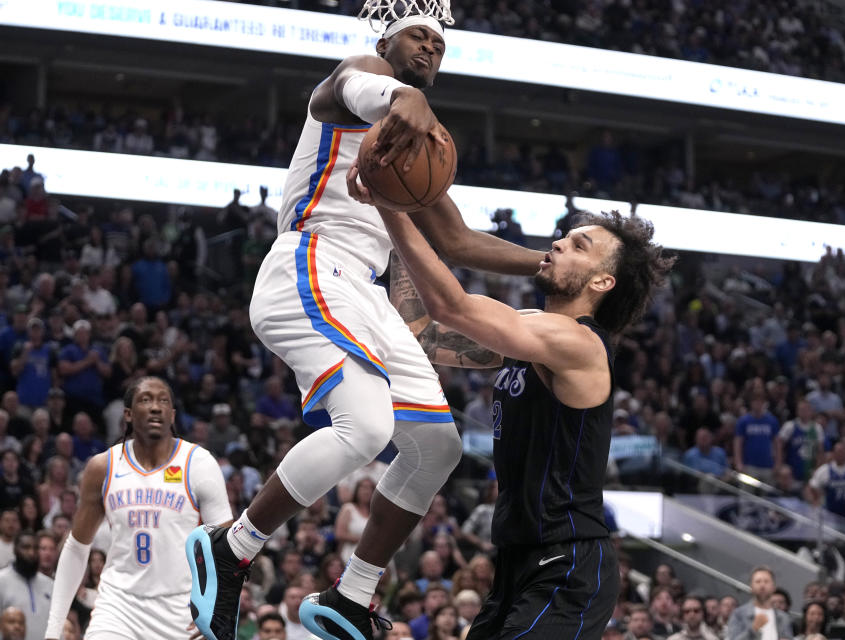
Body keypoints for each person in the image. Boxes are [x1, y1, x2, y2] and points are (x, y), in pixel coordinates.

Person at [186, 2, 545, 640]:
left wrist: (548, 264)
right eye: (419, 35)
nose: (432, 47)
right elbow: (369, 91)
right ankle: (231, 547)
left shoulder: (413, 142)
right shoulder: (355, 79)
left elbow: (459, 241)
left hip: (365, 290)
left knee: (437, 447)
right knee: (366, 424)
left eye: (440, 41)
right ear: (388, 38)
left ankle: (351, 596)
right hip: (312, 261)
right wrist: (407, 98)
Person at [370, 199, 672, 640]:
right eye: (563, 238)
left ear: (603, 280)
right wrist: (405, 212)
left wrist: (391, 206)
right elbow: (424, 332)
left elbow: (451, 306)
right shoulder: (530, 331)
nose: (557, 244)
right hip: (517, 561)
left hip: (567, 563)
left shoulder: (579, 342)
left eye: (578, 245)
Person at [43, 377, 232, 640]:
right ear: (128, 415)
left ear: (173, 414)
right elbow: (76, 547)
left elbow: (226, 547)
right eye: (146, 399)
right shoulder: (103, 467)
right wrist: (53, 631)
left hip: (181, 609)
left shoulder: (198, 463)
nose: (156, 407)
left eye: (163, 401)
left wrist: (216, 606)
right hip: (119, 606)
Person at [0, 532, 53, 640]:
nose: (31, 553)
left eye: (35, 548)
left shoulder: (50, 584)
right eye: (26, 547)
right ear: (15, 549)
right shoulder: (2, 581)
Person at [725, 567, 793, 640]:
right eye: (758, 581)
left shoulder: (783, 617)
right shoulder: (739, 614)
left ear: (774, 587)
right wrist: (754, 629)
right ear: (751, 586)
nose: (762, 585)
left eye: (766, 581)